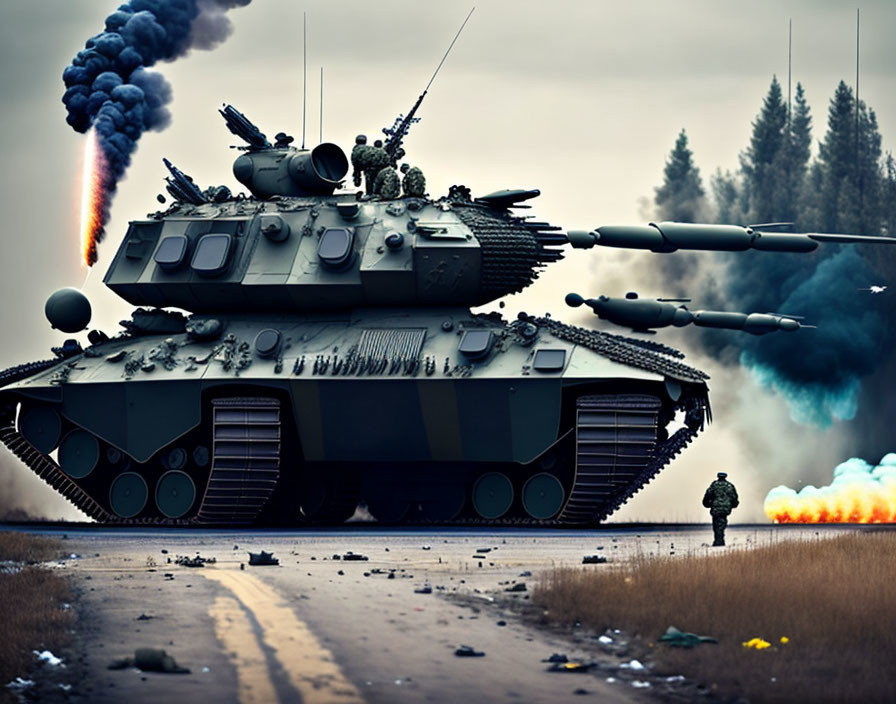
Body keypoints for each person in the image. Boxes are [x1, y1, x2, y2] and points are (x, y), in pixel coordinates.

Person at [702, 472, 738, 546]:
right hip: (725, 509)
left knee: (716, 525)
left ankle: (718, 541)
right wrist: (732, 505)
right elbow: (734, 498)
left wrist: (707, 504)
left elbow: (708, 495)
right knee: (722, 523)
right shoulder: (730, 486)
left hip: (716, 508)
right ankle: (720, 540)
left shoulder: (714, 485)